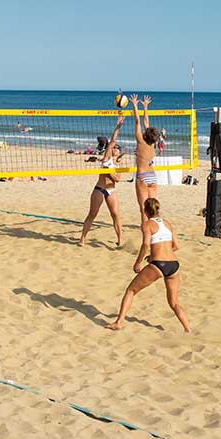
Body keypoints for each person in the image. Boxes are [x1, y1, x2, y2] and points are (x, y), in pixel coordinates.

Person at [106, 198, 190, 333]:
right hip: (174, 265)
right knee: (174, 303)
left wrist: (138, 262)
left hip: (158, 264)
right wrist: (157, 254)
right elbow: (176, 246)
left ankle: (119, 322)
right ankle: (188, 329)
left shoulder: (147, 225)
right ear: (158, 209)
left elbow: (145, 245)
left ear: (145, 210)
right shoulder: (167, 223)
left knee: (131, 291)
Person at [78, 113, 125, 247]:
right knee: (92, 214)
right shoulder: (107, 159)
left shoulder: (117, 165)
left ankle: (120, 239)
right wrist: (118, 126)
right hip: (99, 189)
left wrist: (110, 173)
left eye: (117, 149)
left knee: (115, 215)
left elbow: (117, 179)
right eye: (114, 148)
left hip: (111, 190)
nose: (115, 149)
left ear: (119, 153)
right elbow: (112, 141)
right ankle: (82, 238)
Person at [129, 94, 160, 220]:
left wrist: (135, 105)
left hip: (142, 177)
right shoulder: (152, 143)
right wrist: (146, 107)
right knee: (153, 209)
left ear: (146, 134)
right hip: (152, 177)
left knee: (144, 210)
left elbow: (138, 121)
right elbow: (146, 122)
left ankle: (146, 233)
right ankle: (155, 229)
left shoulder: (140, 140)